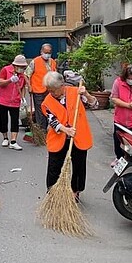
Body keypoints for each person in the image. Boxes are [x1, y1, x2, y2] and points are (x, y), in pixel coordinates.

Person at [41, 71, 98, 202]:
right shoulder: (47, 101)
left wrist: (86, 94)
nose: (51, 93)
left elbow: (95, 105)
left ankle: (75, 191)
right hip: (58, 138)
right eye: (49, 90)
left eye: (54, 90)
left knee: (79, 165)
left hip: (79, 137)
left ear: (62, 85)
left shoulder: (76, 92)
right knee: (54, 166)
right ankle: (53, 192)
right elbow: (52, 121)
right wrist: (66, 130)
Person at [0, 54, 28, 151]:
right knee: (3, 120)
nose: (22, 69)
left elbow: (22, 88)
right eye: (21, 67)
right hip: (2, 100)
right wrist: (10, 80)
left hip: (15, 101)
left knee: (15, 120)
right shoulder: (5, 70)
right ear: (15, 65)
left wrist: (23, 98)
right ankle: (5, 137)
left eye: (24, 67)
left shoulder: (22, 75)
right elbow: (0, 82)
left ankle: (13, 141)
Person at [25, 43, 58, 133]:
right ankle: (41, 129)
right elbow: (26, 74)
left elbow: (55, 75)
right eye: (45, 52)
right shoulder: (35, 61)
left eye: (49, 52)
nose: (47, 54)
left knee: (49, 109)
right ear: (41, 52)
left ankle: (48, 127)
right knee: (39, 110)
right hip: (37, 90)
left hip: (50, 90)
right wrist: (29, 85)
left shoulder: (53, 62)